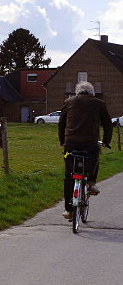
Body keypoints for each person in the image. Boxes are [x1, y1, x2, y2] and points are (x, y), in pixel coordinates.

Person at [58, 81, 112, 220]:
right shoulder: (100, 103)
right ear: (91, 92)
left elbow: (61, 123)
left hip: (70, 144)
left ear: (78, 92)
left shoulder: (68, 102)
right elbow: (107, 124)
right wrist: (106, 141)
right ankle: (91, 183)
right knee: (95, 158)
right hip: (90, 143)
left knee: (68, 175)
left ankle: (68, 210)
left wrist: (61, 140)